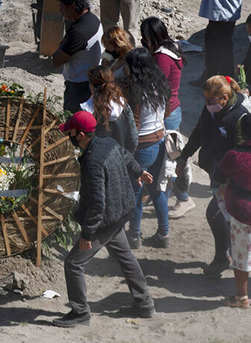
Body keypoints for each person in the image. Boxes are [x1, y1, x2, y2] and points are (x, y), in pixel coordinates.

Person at [54, 111, 154, 327]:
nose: (68, 136)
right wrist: (138, 173)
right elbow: (126, 156)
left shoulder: (92, 161)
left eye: (70, 132)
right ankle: (144, 303)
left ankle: (80, 312)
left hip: (105, 219)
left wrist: (87, 234)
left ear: (80, 134)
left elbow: (97, 202)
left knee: (73, 264)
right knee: (126, 256)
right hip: (119, 213)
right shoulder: (108, 143)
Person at [178, 75, 250, 275]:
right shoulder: (210, 110)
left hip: (230, 178)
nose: (207, 104)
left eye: (211, 100)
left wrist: (228, 175)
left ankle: (222, 258)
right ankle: (230, 253)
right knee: (224, 216)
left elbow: (241, 152)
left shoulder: (239, 117)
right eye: (205, 99)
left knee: (215, 213)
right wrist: (184, 157)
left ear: (225, 98)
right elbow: (199, 134)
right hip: (216, 172)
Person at [140, 16, 193, 219]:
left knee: (168, 164)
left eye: (145, 39)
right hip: (172, 111)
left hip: (166, 115)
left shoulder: (161, 57)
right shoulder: (172, 49)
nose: (144, 42)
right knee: (168, 161)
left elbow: (156, 86)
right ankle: (160, 196)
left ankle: (183, 198)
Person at [214, 114, 251, 308]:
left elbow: (218, 174)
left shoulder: (235, 155)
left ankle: (241, 297)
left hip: (243, 214)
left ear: (242, 132)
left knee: (240, 257)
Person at [122, 48, 171, 249]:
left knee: (135, 190)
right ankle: (163, 233)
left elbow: (134, 124)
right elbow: (167, 111)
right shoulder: (160, 83)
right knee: (155, 188)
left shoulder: (135, 89)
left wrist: (127, 150)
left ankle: (134, 236)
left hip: (142, 146)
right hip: (159, 142)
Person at [51, 0, 102, 114]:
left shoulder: (79, 33)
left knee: (73, 124)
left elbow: (56, 60)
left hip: (79, 87)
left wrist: (62, 44)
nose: (60, 11)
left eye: (61, 7)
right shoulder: (91, 19)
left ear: (72, 7)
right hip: (86, 81)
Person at [80, 65, 138, 154]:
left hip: (95, 161)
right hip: (120, 158)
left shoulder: (86, 110)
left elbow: (82, 142)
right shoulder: (123, 106)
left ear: (91, 86)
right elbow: (133, 138)